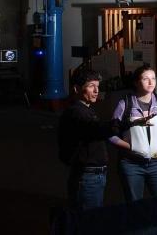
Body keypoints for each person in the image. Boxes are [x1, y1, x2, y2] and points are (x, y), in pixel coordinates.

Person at [110, 64, 157, 201]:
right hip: (131, 164)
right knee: (135, 205)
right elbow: (111, 134)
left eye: (153, 78)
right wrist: (131, 147)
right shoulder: (124, 105)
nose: (151, 82)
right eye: (146, 79)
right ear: (137, 82)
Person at [58, 69, 113, 210]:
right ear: (76, 88)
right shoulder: (77, 112)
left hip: (90, 175)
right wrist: (123, 124)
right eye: (91, 86)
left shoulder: (85, 109)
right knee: (88, 221)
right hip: (87, 176)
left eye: (97, 86)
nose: (96, 91)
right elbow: (95, 129)